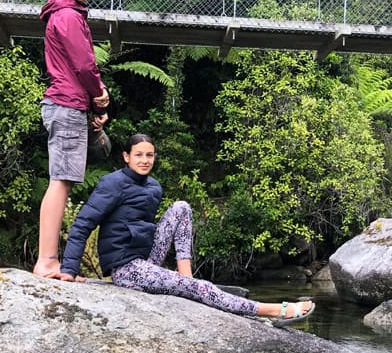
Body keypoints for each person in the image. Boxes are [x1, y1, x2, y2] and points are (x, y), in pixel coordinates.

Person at [57, 134, 315, 327]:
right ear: (126, 156)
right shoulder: (112, 183)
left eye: (150, 155)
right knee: (203, 289)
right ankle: (271, 310)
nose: (145, 160)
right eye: (139, 155)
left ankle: (186, 278)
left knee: (181, 207)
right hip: (127, 269)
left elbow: (146, 229)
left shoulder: (153, 188)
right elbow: (83, 224)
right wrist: (69, 271)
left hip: (145, 260)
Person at [34, 0, 111, 279]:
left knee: (61, 180)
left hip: (68, 103)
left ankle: (49, 259)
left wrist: (92, 108)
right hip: (66, 102)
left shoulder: (65, 13)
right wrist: (99, 95)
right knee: (60, 181)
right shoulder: (67, 15)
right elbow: (83, 64)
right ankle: (47, 261)